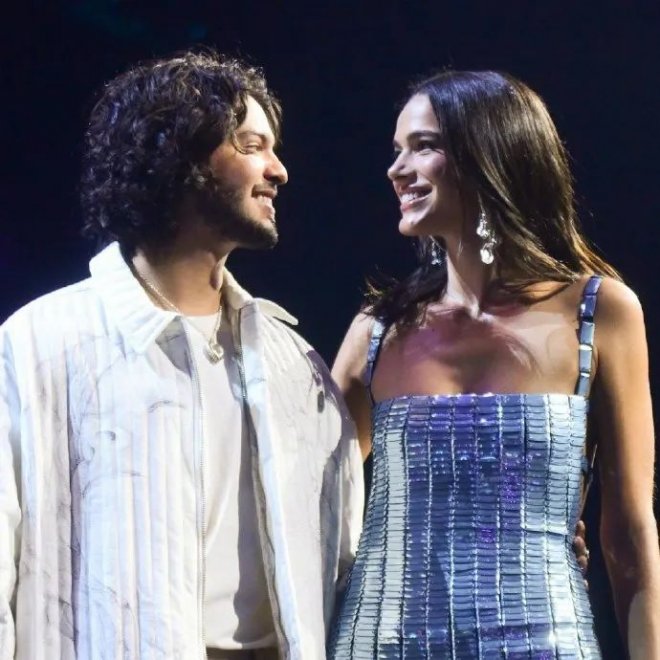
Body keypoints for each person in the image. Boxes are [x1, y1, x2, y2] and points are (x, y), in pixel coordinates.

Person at [0, 50, 364, 660]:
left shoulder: (295, 365)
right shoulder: (40, 344)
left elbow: (342, 555)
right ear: (180, 158)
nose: (278, 170)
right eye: (251, 146)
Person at [328, 70, 660, 658]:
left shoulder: (600, 312)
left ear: (491, 155)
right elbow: (309, 508)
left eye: (423, 146)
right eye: (397, 150)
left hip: (545, 640)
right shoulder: (376, 331)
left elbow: (629, 536)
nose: (397, 169)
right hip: (382, 641)